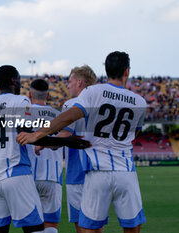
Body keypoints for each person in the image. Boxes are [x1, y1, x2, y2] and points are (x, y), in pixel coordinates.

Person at [17, 51, 147, 233]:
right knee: (132, 227)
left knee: (88, 229)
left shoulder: (93, 92)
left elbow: (68, 117)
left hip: (96, 172)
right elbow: (135, 133)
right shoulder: (140, 102)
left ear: (106, 70)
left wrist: (36, 135)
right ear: (127, 71)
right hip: (126, 171)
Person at [0, 65, 90, 233]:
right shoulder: (19, 101)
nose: (20, 84)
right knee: (35, 229)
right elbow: (27, 135)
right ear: (13, 80)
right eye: (19, 80)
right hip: (15, 174)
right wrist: (68, 141)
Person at [58, 65, 97, 233]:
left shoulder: (71, 104)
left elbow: (64, 136)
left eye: (70, 81)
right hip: (98, 171)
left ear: (80, 82)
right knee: (96, 227)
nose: (68, 85)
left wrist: (39, 142)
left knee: (82, 228)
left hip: (78, 173)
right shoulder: (100, 104)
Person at [27, 79, 64, 233]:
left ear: (29, 94)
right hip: (53, 176)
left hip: (29, 176)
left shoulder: (24, 113)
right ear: (48, 95)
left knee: (32, 225)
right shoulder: (59, 115)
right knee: (51, 225)